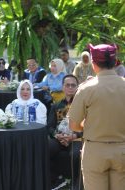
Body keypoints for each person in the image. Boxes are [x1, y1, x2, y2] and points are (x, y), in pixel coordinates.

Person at [68, 43, 125, 190]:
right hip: (122, 150)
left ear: (93, 64)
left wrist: (88, 124)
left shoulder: (86, 88)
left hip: (95, 151)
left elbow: (74, 125)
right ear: (115, 62)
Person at [47, 74, 82, 189]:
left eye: (73, 85)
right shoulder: (56, 105)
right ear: (63, 87)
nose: (70, 87)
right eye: (67, 85)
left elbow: (88, 126)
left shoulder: (83, 105)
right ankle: (55, 179)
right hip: (59, 138)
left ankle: (76, 183)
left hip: (76, 138)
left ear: (77, 87)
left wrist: (74, 135)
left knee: (75, 154)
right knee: (46, 148)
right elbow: (50, 127)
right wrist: (56, 135)